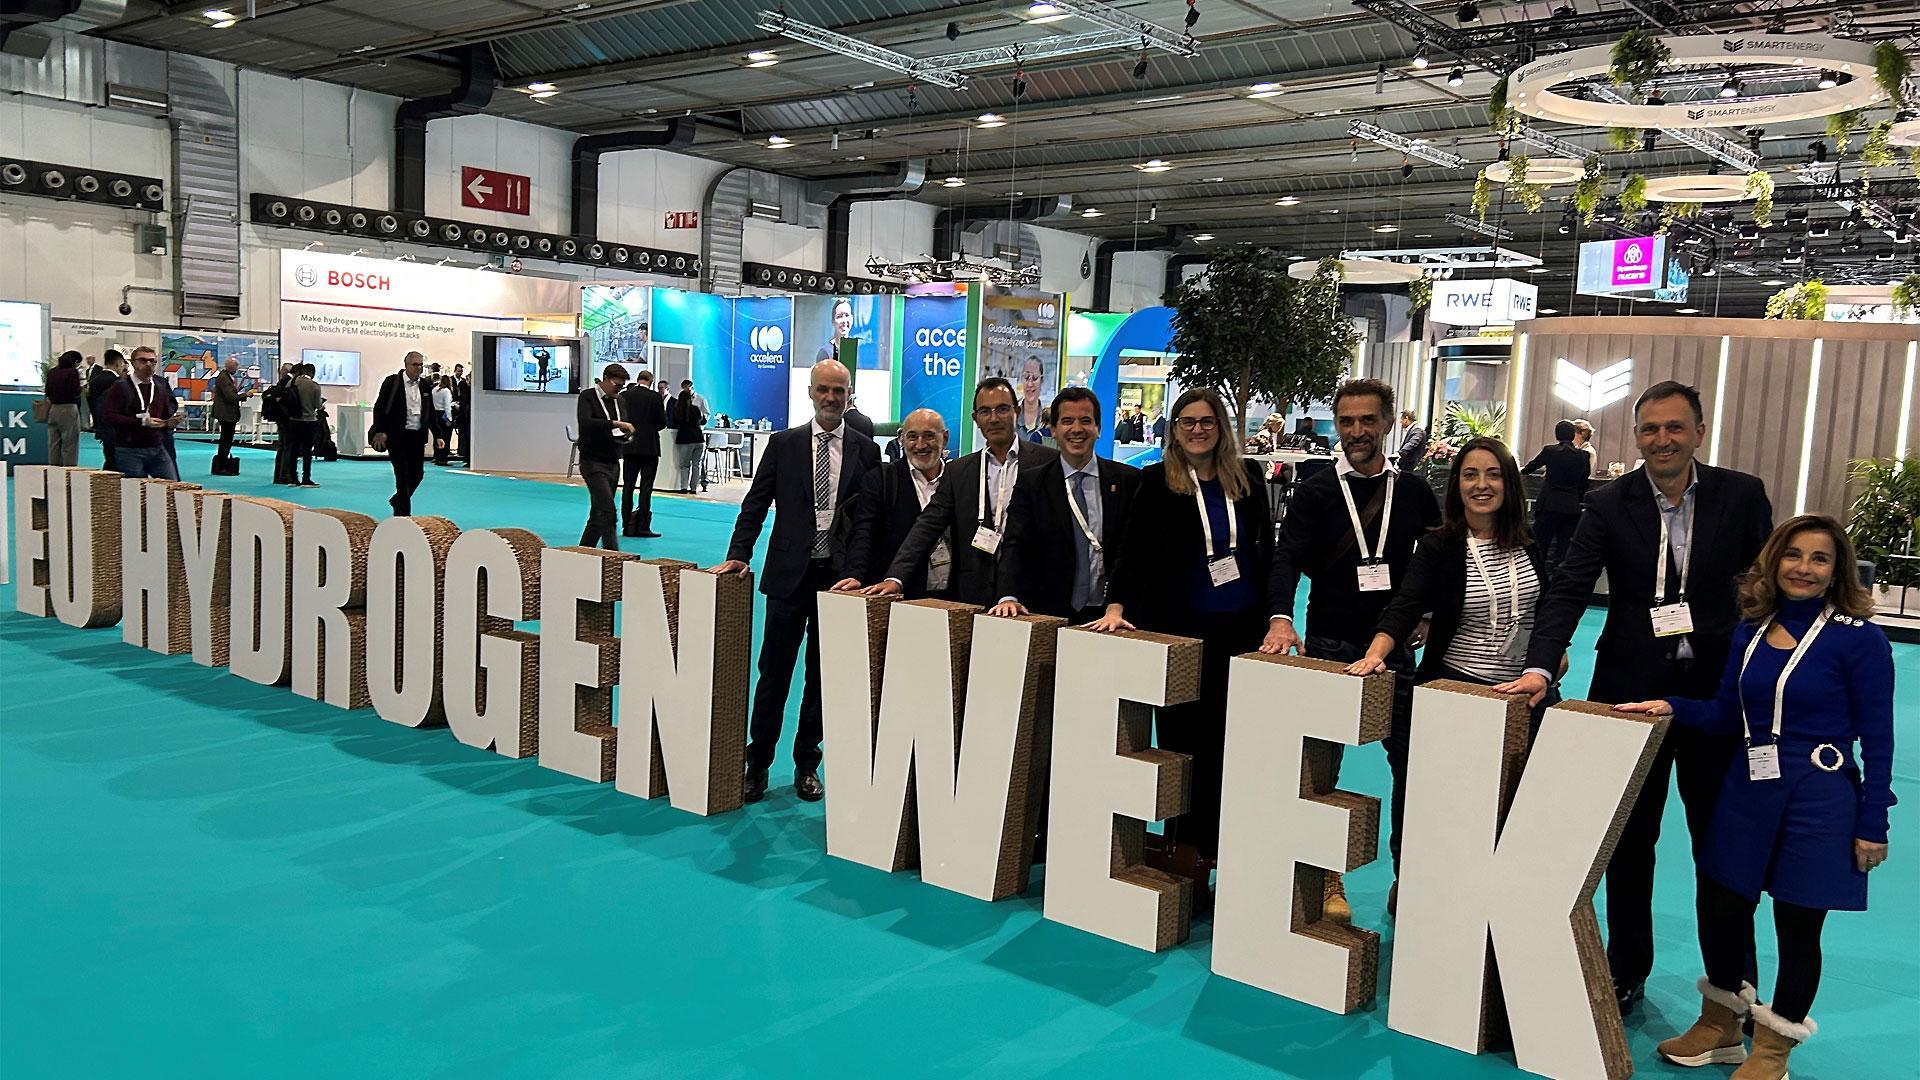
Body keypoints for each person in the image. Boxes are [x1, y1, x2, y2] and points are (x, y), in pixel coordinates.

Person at [1494, 380, 1774, 1016]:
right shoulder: (1609, 501)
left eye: (1675, 427)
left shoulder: (1741, 494)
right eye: (1649, 429)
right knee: (1627, 842)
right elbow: (1568, 586)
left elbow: (1765, 588)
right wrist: (1541, 665)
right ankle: (1625, 972)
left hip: (1714, 700)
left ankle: (1734, 988)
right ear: (1637, 437)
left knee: (1722, 846)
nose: (1662, 440)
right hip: (1626, 697)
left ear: (1699, 432)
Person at [1615, 515, 1893, 1080]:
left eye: (1820, 559)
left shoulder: (1860, 639)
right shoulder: (1752, 628)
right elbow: (1724, 712)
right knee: (1722, 905)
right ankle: (1720, 1027)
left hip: (1820, 795)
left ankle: (1772, 1049)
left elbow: (1880, 737)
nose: (1805, 569)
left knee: (1798, 926)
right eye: (1794, 555)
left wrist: (1873, 822)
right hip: (1748, 785)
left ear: (1838, 569)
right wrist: (1671, 706)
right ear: (1774, 561)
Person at [1259, 378, 1441, 921]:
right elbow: (1287, 556)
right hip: (1331, 644)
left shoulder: (1412, 490)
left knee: (1414, 768)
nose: (1357, 432)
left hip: (1399, 651)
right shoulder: (1315, 489)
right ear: (1335, 426)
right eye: (1346, 422)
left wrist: (1429, 610)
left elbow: (1437, 556)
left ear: (1389, 423)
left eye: (1367, 420)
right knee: (1319, 772)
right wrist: (1279, 617)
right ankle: (1326, 878)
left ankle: (1410, 878)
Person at [1346, 437, 1554, 906]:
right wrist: (1378, 650)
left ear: (1510, 483)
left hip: (1524, 696)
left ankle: (1489, 899)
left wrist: (1549, 655)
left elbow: (1547, 610)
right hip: (1457, 691)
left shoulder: (1528, 543)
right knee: (1435, 800)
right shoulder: (1440, 544)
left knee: (1512, 807)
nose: (1482, 485)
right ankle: (1413, 877)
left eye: (1493, 474)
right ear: (1456, 485)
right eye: (1470, 475)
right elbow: (1405, 604)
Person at [1093, 386, 1272, 877]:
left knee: (1228, 743)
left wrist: (1277, 615)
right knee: (1179, 744)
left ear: (1222, 428)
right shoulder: (1157, 482)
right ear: (1174, 429)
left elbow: (1265, 553)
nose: (1197, 430)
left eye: (1207, 421)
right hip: (1179, 632)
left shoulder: (1248, 477)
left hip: (1239, 631)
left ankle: (1222, 848)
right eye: (1187, 422)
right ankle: (1184, 853)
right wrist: (1116, 604)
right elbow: (1132, 552)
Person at [713, 359, 880, 805]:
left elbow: (868, 522)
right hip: (788, 578)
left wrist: (858, 574)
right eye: (823, 389)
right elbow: (755, 504)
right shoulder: (783, 445)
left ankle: (808, 764)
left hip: (838, 584)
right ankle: (758, 764)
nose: (831, 398)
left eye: (839, 391)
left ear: (849, 395)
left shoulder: (867, 450)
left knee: (822, 680)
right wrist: (737, 556)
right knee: (773, 677)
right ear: (810, 392)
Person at [868, 378, 1059, 607]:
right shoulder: (959, 471)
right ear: (975, 419)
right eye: (985, 411)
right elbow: (927, 525)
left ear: (1016, 411)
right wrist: (896, 577)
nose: (994, 418)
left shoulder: (1048, 463)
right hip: (973, 598)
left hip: (1031, 597)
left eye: (1002, 409)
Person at [991, 388, 1141, 622]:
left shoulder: (1128, 481)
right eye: (1067, 421)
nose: (1077, 429)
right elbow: (1016, 544)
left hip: (1111, 616)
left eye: (1086, 421)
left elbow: (1133, 552)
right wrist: (1008, 596)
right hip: (1048, 613)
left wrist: (1118, 603)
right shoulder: (1032, 483)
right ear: (1054, 430)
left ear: (1098, 429)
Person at [833, 407, 953, 599]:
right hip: (899, 593)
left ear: (944, 438)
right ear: (901, 440)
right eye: (912, 437)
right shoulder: (881, 480)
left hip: (953, 596)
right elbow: (864, 530)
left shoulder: (959, 479)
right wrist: (854, 573)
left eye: (929, 436)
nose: (920, 445)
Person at [368, 352, 447, 517]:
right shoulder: (392, 382)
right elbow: (380, 407)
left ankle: (398, 500)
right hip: (397, 437)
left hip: (417, 437)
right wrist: (381, 431)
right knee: (402, 476)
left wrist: (438, 435)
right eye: (415, 365)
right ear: (406, 365)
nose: (418, 368)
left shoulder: (425, 385)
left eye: (420, 365)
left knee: (417, 475)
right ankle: (403, 514)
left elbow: (430, 412)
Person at [98, 346, 181, 481]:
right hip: (129, 450)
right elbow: (110, 416)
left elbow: (166, 411)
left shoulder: (160, 385)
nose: (148, 364)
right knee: (136, 494)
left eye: (152, 361)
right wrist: (141, 422)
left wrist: (168, 422)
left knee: (173, 488)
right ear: (133, 362)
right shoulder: (120, 386)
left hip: (157, 447)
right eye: (143, 360)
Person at [1522, 420, 1593, 578]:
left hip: (1548, 506)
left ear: (1556, 434)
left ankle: (1537, 583)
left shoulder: (1550, 451)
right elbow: (1584, 482)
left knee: (1540, 547)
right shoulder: (1583, 456)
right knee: (1564, 552)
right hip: (1571, 508)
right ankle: (1559, 586)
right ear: (1573, 434)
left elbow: (1529, 468)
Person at [575, 364, 634, 551]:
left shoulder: (620, 401)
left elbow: (620, 428)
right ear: (606, 379)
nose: (619, 389)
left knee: (598, 513)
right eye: (617, 385)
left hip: (613, 461)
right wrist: (614, 423)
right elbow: (585, 424)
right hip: (592, 461)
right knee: (608, 511)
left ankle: (583, 552)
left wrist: (626, 435)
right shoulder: (587, 397)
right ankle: (613, 556)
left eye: (622, 386)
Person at [618, 367, 668, 538]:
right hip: (649, 447)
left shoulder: (624, 395)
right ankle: (642, 526)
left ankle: (626, 524)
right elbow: (662, 422)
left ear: (638, 379)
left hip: (630, 447)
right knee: (646, 487)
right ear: (651, 381)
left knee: (628, 486)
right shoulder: (655, 397)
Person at [211, 356, 251, 473]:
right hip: (226, 414)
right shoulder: (224, 378)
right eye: (236, 366)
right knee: (226, 440)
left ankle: (221, 464)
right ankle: (221, 466)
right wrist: (245, 395)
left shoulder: (225, 377)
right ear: (230, 366)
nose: (237, 368)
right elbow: (231, 397)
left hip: (226, 413)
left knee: (226, 440)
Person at [42, 350, 83, 466]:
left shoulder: (52, 372)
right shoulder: (72, 372)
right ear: (75, 361)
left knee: (53, 445)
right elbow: (75, 391)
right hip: (68, 409)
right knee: (70, 444)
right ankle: (69, 474)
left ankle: (53, 472)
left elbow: (47, 391)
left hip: (53, 409)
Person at [87, 351, 125, 471]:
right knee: (116, 461)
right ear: (118, 363)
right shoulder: (117, 383)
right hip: (116, 429)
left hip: (101, 426)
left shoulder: (94, 381)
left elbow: (92, 404)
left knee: (109, 457)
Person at [289, 362, 323, 486]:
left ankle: (293, 477)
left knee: (293, 449)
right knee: (307, 450)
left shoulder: (292, 382)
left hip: (293, 419)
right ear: (312, 373)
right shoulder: (314, 386)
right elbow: (317, 406)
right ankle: (306, 478)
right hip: (309, 421)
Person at [265, 361, 298, 485]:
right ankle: (284, 476)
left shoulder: (280, 383)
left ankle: (279, 476)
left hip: (280, 418)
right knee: (287, 447)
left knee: (282, 447)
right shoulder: (287, 382)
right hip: (286, 418)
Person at [671, 382, 705, 494]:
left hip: (685, 439)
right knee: (696, 465)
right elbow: (703, 420)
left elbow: (674, 424)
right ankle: (694, 488)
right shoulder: (695, 409)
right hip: (699, 439)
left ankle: (684, 487)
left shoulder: (677, 411)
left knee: (685, 466)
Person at [1016, 356, 1048, 442]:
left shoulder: (1048, 419)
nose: (1030, 384)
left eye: (1035, 378)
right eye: (1026, 377)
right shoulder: (1012, 417)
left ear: (1042, 380)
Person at [817, 297, 854, 362]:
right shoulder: (825, 352)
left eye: (847, 315)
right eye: (839, 316)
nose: (844, 320)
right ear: (833, 321)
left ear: (852, 319)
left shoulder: (854, 349)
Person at [430, 375, 455, 466]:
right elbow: (447, 406)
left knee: (437, 437)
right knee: (446, 438)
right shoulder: (446, 391)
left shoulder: (434, 390)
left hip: (435, 414)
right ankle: (443, 458)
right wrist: (449, 419)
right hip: (443, 415)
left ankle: (437, 457)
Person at [452, 363, 472, 461]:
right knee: (463, 434)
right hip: (463, 413)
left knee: (465, 435)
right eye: (459, 371)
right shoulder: (453, 380)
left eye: (461, 371)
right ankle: (463, 453)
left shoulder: (463, 383)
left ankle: (464, 454)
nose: (460, 373)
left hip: (464, 413)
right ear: (455, 370)